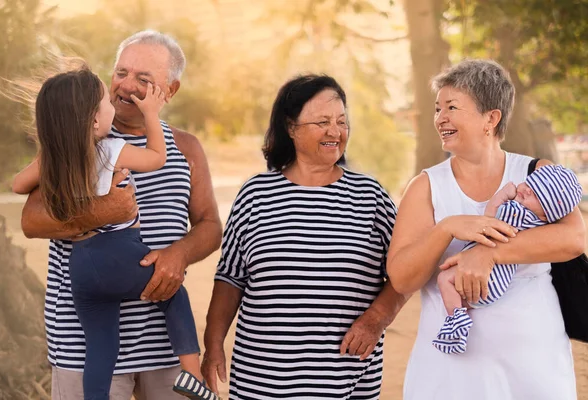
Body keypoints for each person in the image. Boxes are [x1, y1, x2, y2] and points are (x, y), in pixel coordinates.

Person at [19, 30, 222, 399]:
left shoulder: (186, 148)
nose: (126, 86)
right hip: (81, 344)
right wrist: (102, 211)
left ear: (170, 91)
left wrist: (180, 254)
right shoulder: (75, 140)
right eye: (121, 72)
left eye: (143, 79)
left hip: (163, 347)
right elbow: (31, 220)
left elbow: (210, 226)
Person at [386, 59, 584, 400]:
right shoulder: (425, 186)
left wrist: (487, 252)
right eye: (437, 109)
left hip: (535, 370)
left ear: (490, 119)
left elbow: (574, 238)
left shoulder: (538, 173)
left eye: (452, 107)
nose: (440, 118)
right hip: (448, 376)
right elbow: (402, 278)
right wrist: (447, 228)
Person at [201, 74, 408, 400]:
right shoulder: (255, 194)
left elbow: (406, 271)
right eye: (322, 121)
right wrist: (213, 345)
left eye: (341, 121)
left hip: (344, 381)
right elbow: (230, 279)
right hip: (261, 382)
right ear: (291, 127)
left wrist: (376, 319)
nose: (335, 131)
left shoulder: (370, 196)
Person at [433, 165, 583, 354]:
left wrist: (503, 195)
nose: (527, 190)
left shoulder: (517, 212)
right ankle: (463, 309)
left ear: (546, 213)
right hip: (497, 284)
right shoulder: (541, 226)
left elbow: (489, 216)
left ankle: (456, 318)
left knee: (444, 279)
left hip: (491, 276)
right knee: (459, 287)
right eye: (529, 184)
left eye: (536, 194)